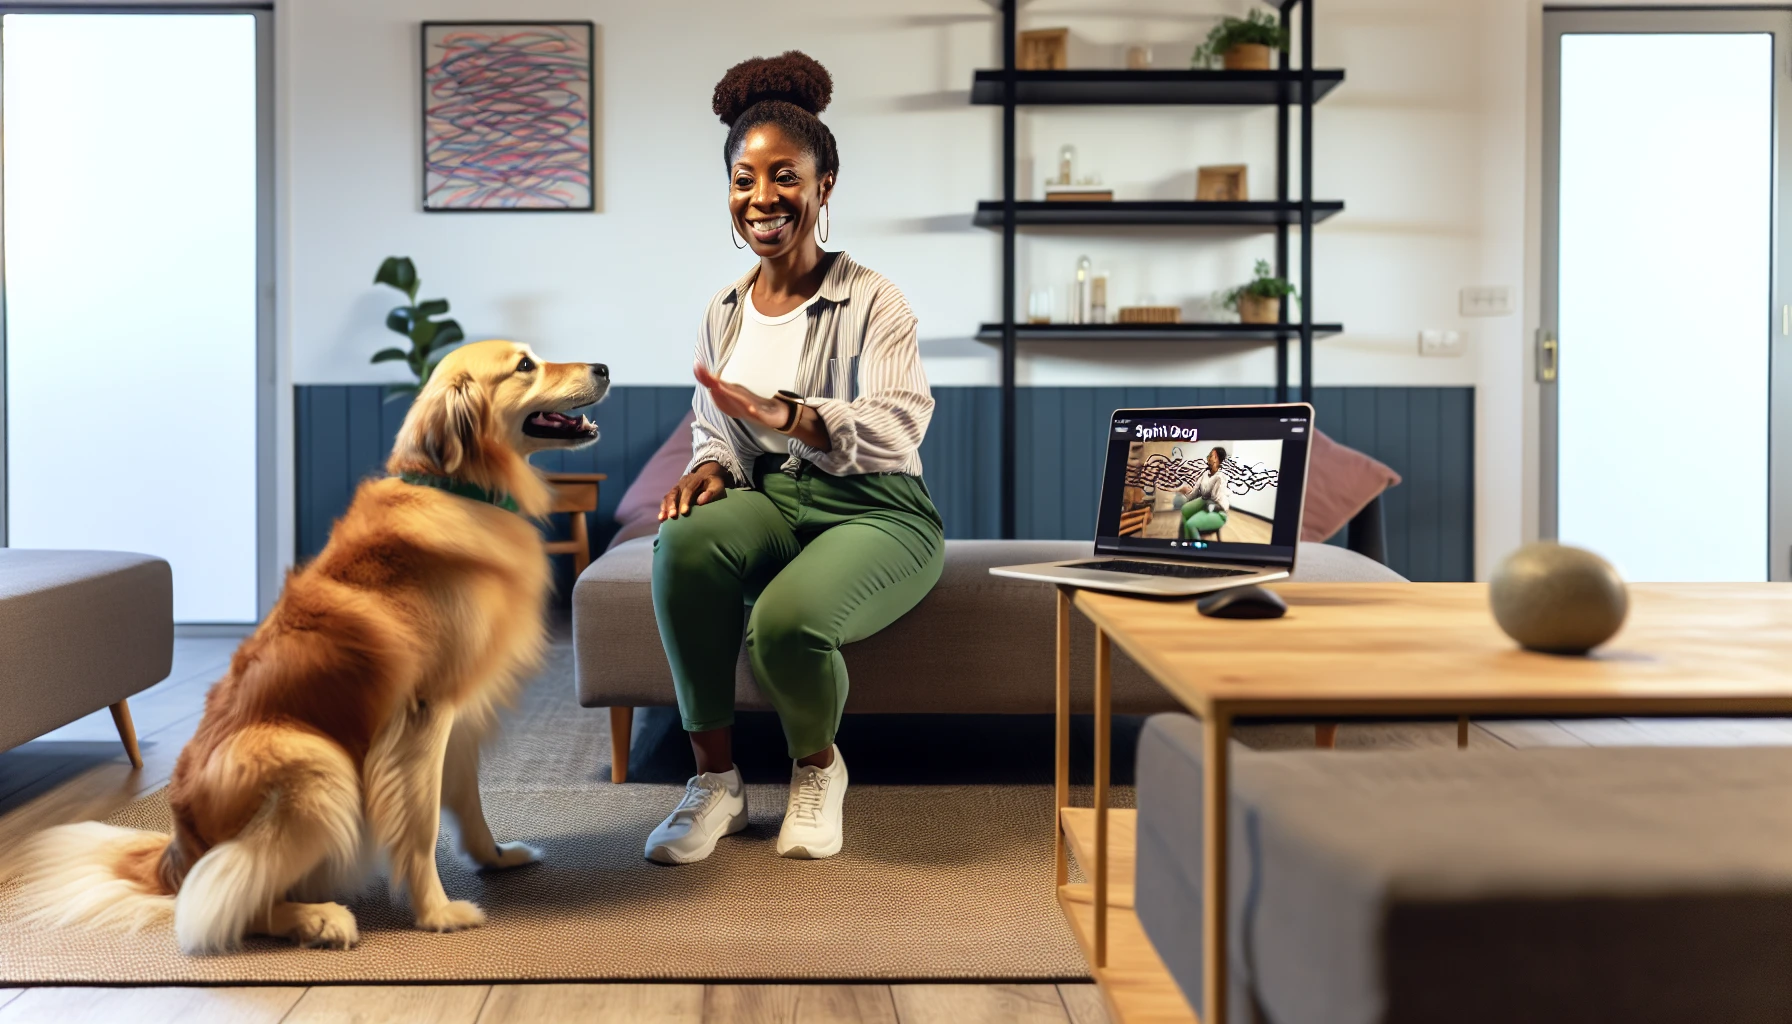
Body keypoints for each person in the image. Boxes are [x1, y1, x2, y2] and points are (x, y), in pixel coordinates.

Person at [643, 52, 944, 864]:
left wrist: (792, 414)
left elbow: (900, 426)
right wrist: (712, 463)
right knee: (683, 540)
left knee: (783, 625)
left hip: (879, 509)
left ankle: (818, 769)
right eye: (745, 179)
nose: (762, 198)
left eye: (785, 177)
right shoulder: (725, 309)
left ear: (824, 185)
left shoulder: (876, 299)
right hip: (776, 499)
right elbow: (717, 427)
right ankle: (715, 784)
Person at [1178, 447, 1231, 540]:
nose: (1208, 458)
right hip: (1205, 506)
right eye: (1209, 455)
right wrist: (1186, 491)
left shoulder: (1221, 476)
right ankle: (1186, 545)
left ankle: (1197, 549)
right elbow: (1193, 495)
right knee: (1184, 513)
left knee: (1190, 524)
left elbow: (1209, 495)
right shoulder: (1205, 474)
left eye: (1211, 456)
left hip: (1218, 511)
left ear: (1218, 460)